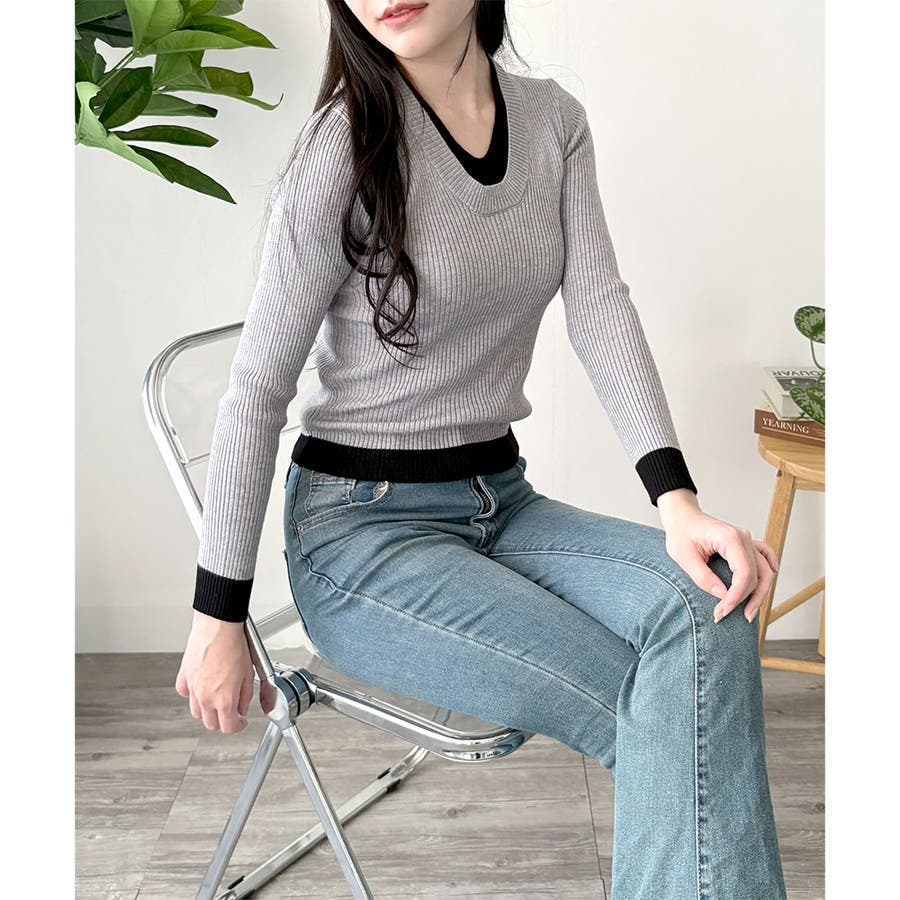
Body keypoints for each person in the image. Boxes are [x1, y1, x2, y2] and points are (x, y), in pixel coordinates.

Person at [175, 1, 788, 897]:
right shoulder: (341, 149)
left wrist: (679, 505)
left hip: (500, 500)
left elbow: (600, 307)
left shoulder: (553, 124)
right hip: (361, 539)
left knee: (711, 601)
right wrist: (216, 617)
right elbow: (257, 391)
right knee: (662, 703)